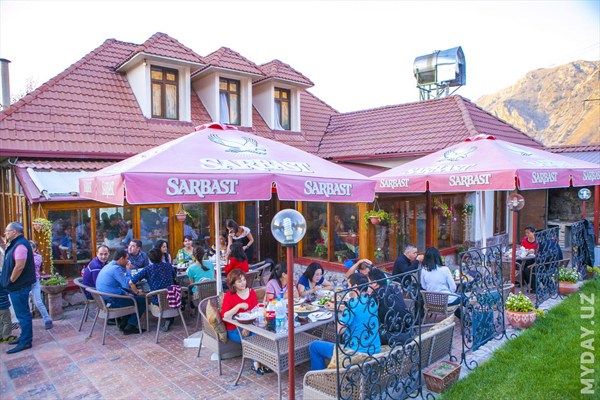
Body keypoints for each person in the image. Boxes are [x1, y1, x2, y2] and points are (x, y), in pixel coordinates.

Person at [308, 273, 381, 370]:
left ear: (355, 287)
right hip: (373, 347)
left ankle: (317, 375)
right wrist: (339, 307)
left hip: (356, 352)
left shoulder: (352, 305)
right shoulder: (370, 300)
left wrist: (339, 316)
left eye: (348, 285)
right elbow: (357, 310)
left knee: (314, 346)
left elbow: (339, 331)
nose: (347, 288)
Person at [221, 269, 270, 375]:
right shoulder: (229, 295)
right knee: (254, 337)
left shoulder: (251, 292)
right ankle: (256, 363)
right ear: (233, 284)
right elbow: (225, 315)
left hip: (250, 325)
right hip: (234, 328)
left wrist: (247, 327)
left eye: (244, 280)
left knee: (263, 334)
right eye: (239, 281)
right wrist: (238, 306)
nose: (243, 283)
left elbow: (255, 311)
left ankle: (264, 362)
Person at [1, 222, 36, 354]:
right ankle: (23, 337)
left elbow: (19, 266)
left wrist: (10, 281)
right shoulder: (16, 243)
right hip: (17, 286)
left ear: (14, 232)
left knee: (23, 315)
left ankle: (26, 341)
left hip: (19, 286)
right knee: (22, 314)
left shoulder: (20, 245)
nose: (5, 233)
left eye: (7, 231)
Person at [95, 249, 146, 335]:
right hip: (112, 301)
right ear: (122, 259)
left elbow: (115, 287)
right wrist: (129, 270)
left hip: (105, 299)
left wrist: (125, 293)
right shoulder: (116, 269)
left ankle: (123, 324)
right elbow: (127, 284)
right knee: (142, 301)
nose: (128, 261)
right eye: (127, 258)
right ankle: (130, 326)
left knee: (131, 295)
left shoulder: (109, 265)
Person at [130, 248, 177, 332]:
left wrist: (137, 292)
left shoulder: (148, 269)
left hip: (157, 300)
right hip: (172, 298)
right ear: (162, 257)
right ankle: (169, 318)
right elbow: (174, 276)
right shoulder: (168, 266)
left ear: (149, 259)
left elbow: (131, 282)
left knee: (145, 298)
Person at [368, 268, 412, 345]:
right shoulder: (394, 288)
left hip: (392, 331)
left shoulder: (376, 295)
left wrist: (369, 295)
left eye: (368, 282)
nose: (367, 285)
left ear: (374, 283)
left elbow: (370, 315)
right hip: (407, 326)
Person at [29, 240, 53, 330]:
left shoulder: (38, 257)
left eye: (31, 247)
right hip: (25, 282)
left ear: (35, 249)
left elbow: (31, 265)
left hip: (35, 281)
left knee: (38, 302)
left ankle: (47, 320)